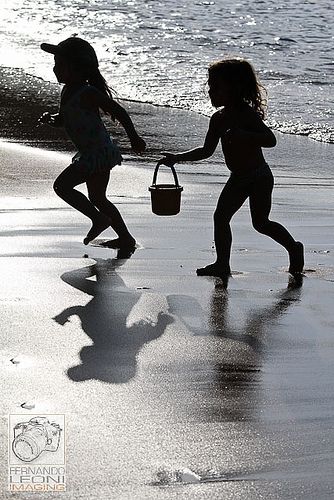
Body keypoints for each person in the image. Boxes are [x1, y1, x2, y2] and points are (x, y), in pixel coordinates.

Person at [159, 58, 304, 278]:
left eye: (216, 87)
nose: (210, 92)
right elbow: (206, 151)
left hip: (259, 176)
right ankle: (222, 264)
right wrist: (178, 158)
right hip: (238, 177)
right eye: (210, 87)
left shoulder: (247, 115)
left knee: (261, 223)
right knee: (221, 217)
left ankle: (294, 247)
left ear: (235, 88)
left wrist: (246, 135)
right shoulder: (218, 119)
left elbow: (270, 139)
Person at [39, 37, 146, 249]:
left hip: (97, 154)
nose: (54, 69)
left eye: (60, 65)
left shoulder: (88, 93)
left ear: (78, 68)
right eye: (55, 64)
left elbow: (119, 112)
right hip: (94, 153)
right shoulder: (68, 90)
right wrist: (53, 120)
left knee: (62, 186)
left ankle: (98, 220)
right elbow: (66, 118)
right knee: (98, 198)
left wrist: (134, 137)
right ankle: (125, 238)